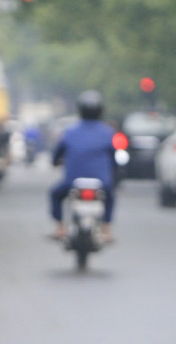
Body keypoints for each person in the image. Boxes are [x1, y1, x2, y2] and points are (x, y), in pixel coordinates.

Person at [49, 91, 117, 242]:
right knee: (110, 196)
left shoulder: (69, 132)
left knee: (55, 194)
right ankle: (106, 229)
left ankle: (60, 227)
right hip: (102, 183)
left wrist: (56, 162)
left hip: (71, 182)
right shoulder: (108, 132)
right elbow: (115, 158)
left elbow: (57, 155)